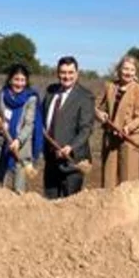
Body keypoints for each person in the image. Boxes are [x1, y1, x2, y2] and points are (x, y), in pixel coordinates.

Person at [0, 63, 44, 193]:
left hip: (21, 145)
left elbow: (29, 124)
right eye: (16, 79)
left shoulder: (31, 98)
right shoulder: (1, 92)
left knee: (19, 187)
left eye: (23, 80)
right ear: (10, 79)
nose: (19, 83)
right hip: (1, 142)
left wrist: (18, 140)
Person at [42, 56, 95, 199]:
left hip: (72, 161)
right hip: (51, 158)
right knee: (50, 202)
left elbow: (86, 129)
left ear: (77, 73)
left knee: (70, 205)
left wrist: (70, 147)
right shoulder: (51, 91)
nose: (67, 76)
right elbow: (43, 117)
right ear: (57, 73)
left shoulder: (85, 96)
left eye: (71, 72)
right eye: (63, 72)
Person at [94, 55, 139, 187]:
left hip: (129, 137)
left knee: (128, 180)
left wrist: (127, 128)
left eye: (131, 70)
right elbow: (94, 106)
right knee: (108, 179)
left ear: (135, 72)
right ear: (119, 69)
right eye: (125, 69)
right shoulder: (109, 86)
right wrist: (99, 114)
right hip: (110, 137)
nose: (128, 72)